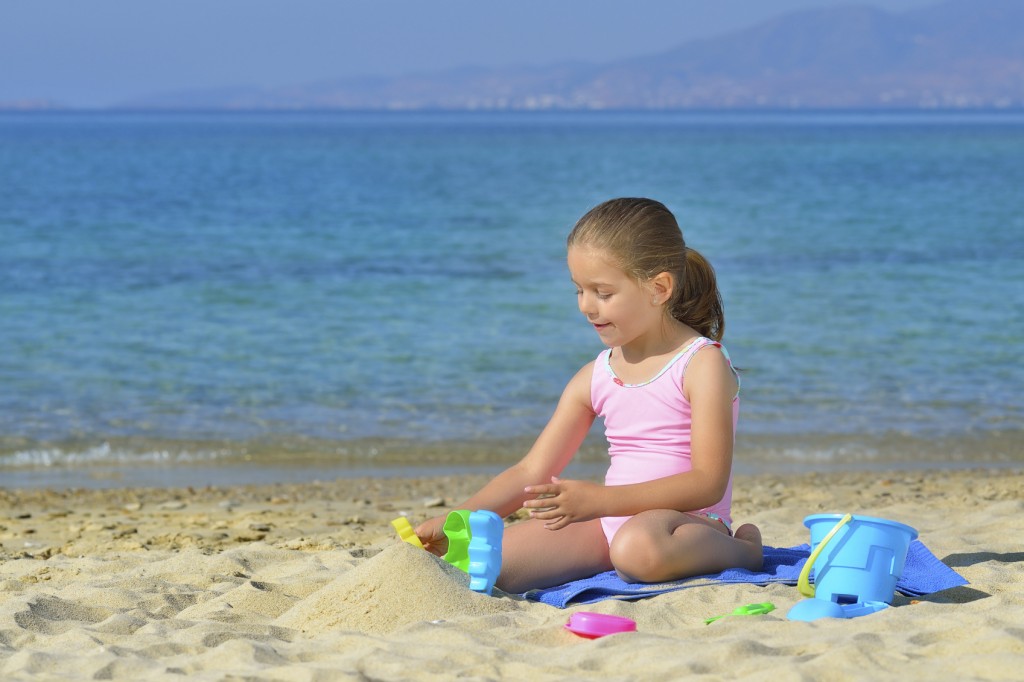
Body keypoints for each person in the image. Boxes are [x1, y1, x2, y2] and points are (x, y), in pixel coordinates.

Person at [415, 197, 763, 593]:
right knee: (486, 568)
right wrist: (456, 521)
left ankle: (745, 550)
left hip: (685, 527)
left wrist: (599, 500)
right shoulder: (594, 376)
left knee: (636, 551)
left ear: (659, 288)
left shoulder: (701, 364)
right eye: (578, 290)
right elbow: (531, 472)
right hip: (607, 527)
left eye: (602, 292)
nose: (586, 306)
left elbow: (707, 483)